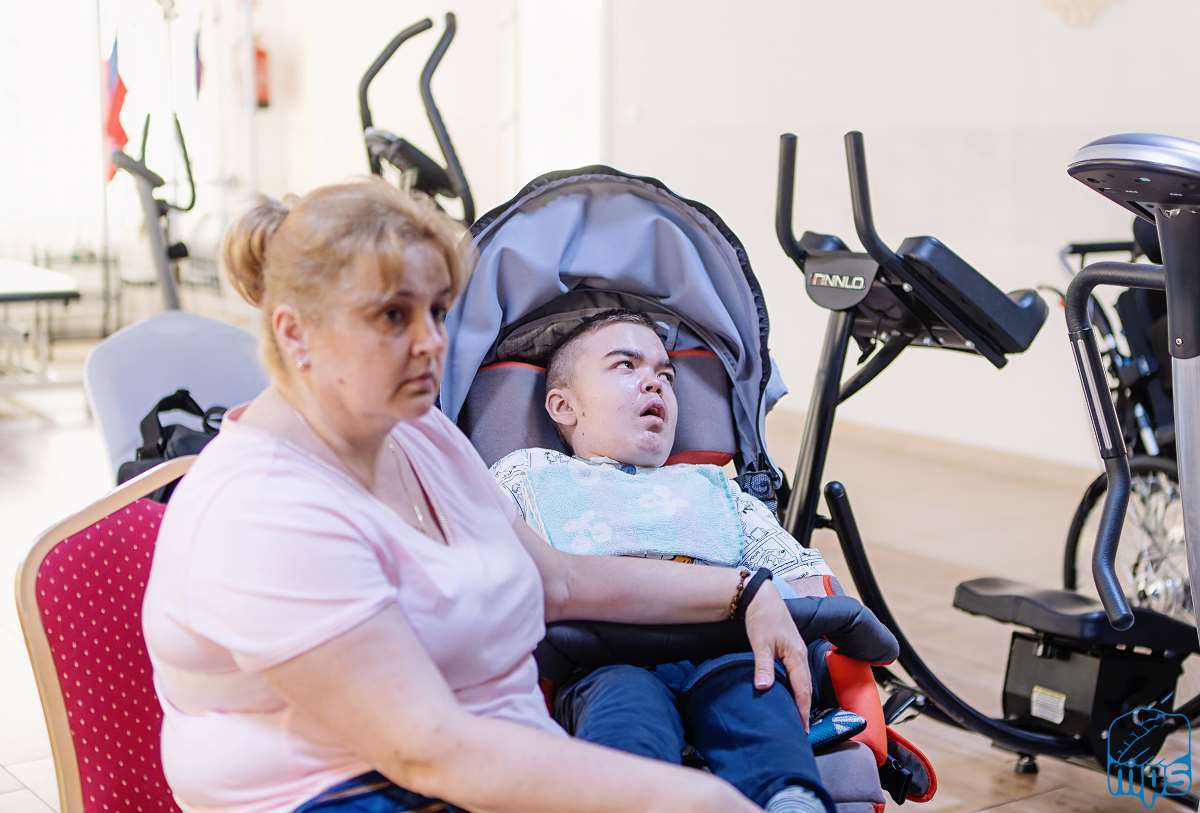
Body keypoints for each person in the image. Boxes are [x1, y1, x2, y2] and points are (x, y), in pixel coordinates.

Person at [141, 179, 814, 813]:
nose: (431, 341)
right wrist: (694, 799)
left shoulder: (417, 431)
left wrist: (742, 590)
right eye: (393, 315)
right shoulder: (265, 511)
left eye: (437, 310)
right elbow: (427, 751)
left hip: (483, 769)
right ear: (295, 333)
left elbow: (559, 578)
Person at [490, 310, 838, 813]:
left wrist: (828, 627)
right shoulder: (530, 474)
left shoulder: (717, 490)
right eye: (625, 365)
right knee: (627, 718)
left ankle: (791, 800)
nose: (655, 382)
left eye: (666, 375)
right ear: (563, 406)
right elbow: (481, 550)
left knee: (760, 700)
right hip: (604, 658)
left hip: (727, 651)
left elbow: (803, 580)